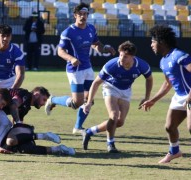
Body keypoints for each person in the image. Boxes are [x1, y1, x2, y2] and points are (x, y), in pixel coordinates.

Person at [44, 2, 116, 135]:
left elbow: (96, 44)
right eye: (80, 14)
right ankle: (52, 99)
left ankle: (77, 127)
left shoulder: (91, 29)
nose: (83, 17)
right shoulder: (68, 32)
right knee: (76, 103)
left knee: (89, 100)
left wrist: (105, 48)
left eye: (85, 14)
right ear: (75, 16)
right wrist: (71, 58)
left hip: (87, 68)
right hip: (75, 70)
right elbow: (60, 51)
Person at [81, 41, 153, 153]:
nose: (121, 59)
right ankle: (110, 144)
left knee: (119, 122)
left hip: (126, 91)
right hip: (110, 88)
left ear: (132, 57)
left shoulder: (141, 65)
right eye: (120, 55)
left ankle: (89, 131)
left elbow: (149, 79)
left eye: (125, 57)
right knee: (113, 116)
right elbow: (96, 83)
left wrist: (146, 97)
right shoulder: (111, 65)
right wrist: (89, 102)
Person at [140, 25, 191, 163]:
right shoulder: (163, 61)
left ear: (161, 41)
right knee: (169, 127)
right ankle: (174, 151)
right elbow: (168, 84)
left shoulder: (179, 55)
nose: (151, 45)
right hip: (179, 97)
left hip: (190, 95)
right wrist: (153, 100)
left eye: (153, 42)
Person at [0, 86, 51, 153]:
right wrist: (18, 123)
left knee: (8, 127)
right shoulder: (26, 94)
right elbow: (13, 105)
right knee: (7, 124)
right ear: (37, 94)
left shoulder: (26, 107)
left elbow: (16, 123)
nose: (44, 104)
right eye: (44, 99)